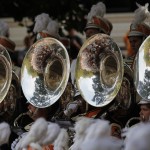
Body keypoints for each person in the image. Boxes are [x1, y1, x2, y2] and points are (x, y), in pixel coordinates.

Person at [125, 3, 150, 69]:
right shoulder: (127, 62)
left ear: (144, 40)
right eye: (130, 41)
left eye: (135, 41)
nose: (132, 44)